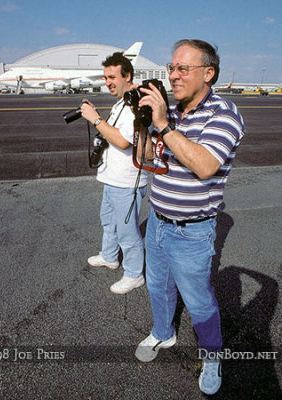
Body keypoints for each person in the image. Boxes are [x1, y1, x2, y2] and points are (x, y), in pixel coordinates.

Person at [134, 39, 245, 395]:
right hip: (158, 221)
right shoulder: (173, 111)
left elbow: (205, 165)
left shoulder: (224, 114)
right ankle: (163, 333)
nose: (173, 76)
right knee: (157, 285)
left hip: (192, 230)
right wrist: (142, 123)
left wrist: (165, 125)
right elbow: (147, 159)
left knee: (198, 298)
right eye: (171, 68)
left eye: (183, 68)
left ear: (208, 73)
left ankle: (212, 354)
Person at [80, 52, 148, 294]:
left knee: (128, 232)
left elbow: (122, 142)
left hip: (127, 182)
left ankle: (134, 274)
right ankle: (109, 256)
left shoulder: (134, 104)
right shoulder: (121, 102)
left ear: (127, 76)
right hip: (112, 179)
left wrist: (95, 119)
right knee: (109, 222)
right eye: (105, 77)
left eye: (112, 76)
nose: (107, 81)